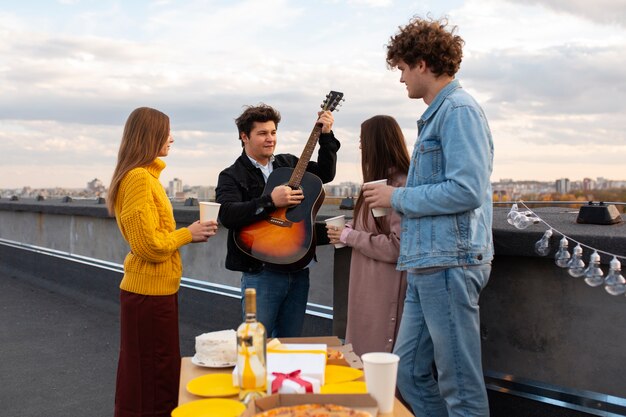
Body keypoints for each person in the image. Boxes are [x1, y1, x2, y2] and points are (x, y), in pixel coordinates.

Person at [363, 16, 494, 417]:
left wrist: (396, 196)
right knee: (410, 374)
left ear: (422, 63)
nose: (400, 78)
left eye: (402, 68)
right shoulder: (441, 113)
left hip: (448, 264)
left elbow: (466, 190)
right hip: (428, 264)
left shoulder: (458, 110)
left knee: (460, 387)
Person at [107, 107, 218, 417]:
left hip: (152, 292)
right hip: (149, 296)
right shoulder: (139, 179)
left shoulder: (143, 177)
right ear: (150, 135)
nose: (172, 137)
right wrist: (187, 234)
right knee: (154, 376)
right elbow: (148, 246)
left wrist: (187, 234)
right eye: (167, 131)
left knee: (147, 373)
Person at [215, 103, 340, 338]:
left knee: (289, 343)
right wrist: (270, 201)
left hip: (297, 267)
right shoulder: (231, 175)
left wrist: (326, 136)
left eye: (273, 132)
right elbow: (228, 214)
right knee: (257, 344)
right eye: (262, 133)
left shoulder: (289, 163)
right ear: (244, 136)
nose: (270, 138)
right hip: (260, 272)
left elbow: (326, 173)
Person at [326, 115, 410, 357]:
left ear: (377, 144)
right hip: (367, 290)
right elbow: (373, 226)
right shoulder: (379, 184)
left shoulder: (399, 188)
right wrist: (347, 230)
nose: (361, 148)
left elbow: (397, 246)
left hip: (384, 293)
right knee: (359, 356)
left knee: (377, 360)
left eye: (363, 142)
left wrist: (349, 236)